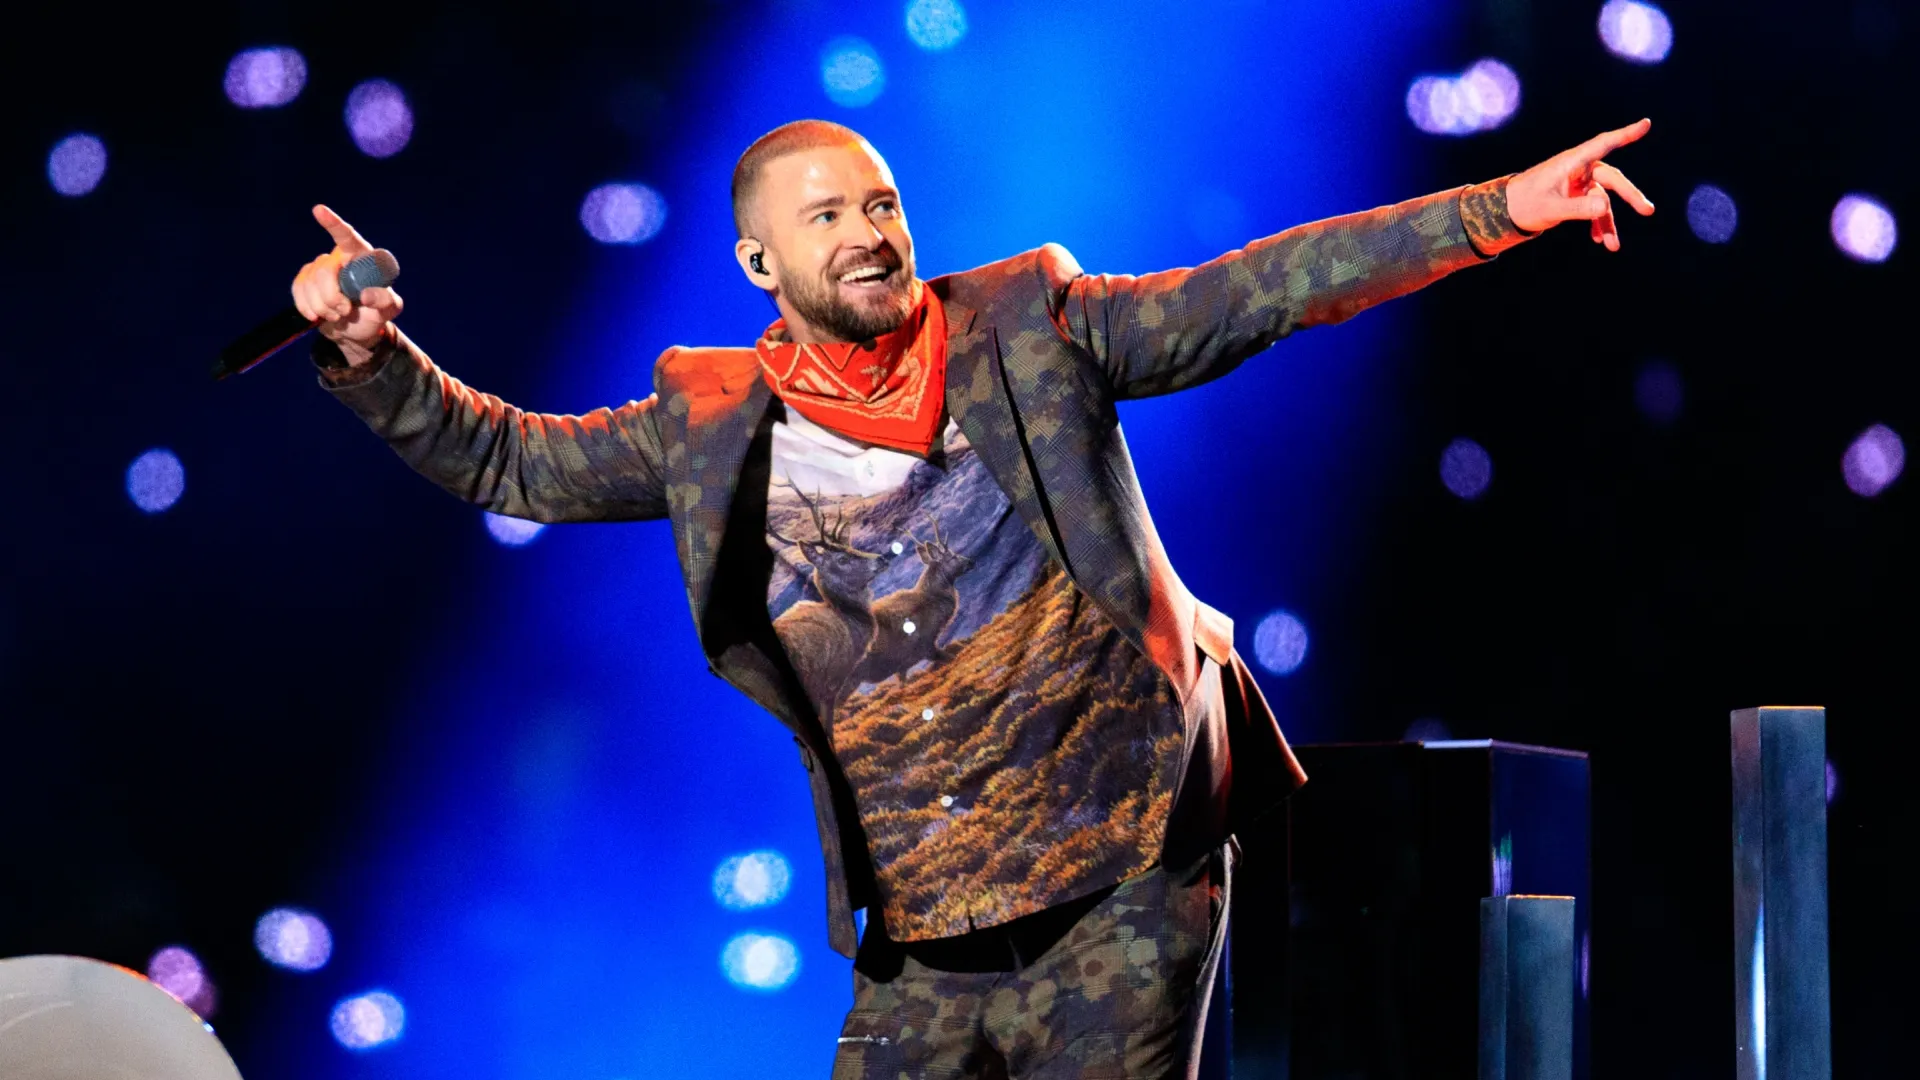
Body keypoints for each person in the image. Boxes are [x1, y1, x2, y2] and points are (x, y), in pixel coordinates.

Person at [291, 117, 1653, 1079]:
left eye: (881, 203)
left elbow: (1259, 292)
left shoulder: (1030, 327)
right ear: (761, 265)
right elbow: (510, 461)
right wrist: (373, 357)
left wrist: (1497, 212)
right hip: (925, 932)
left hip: (1122, 874)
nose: (871, 232)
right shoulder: (710, 421)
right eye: (827, 216)